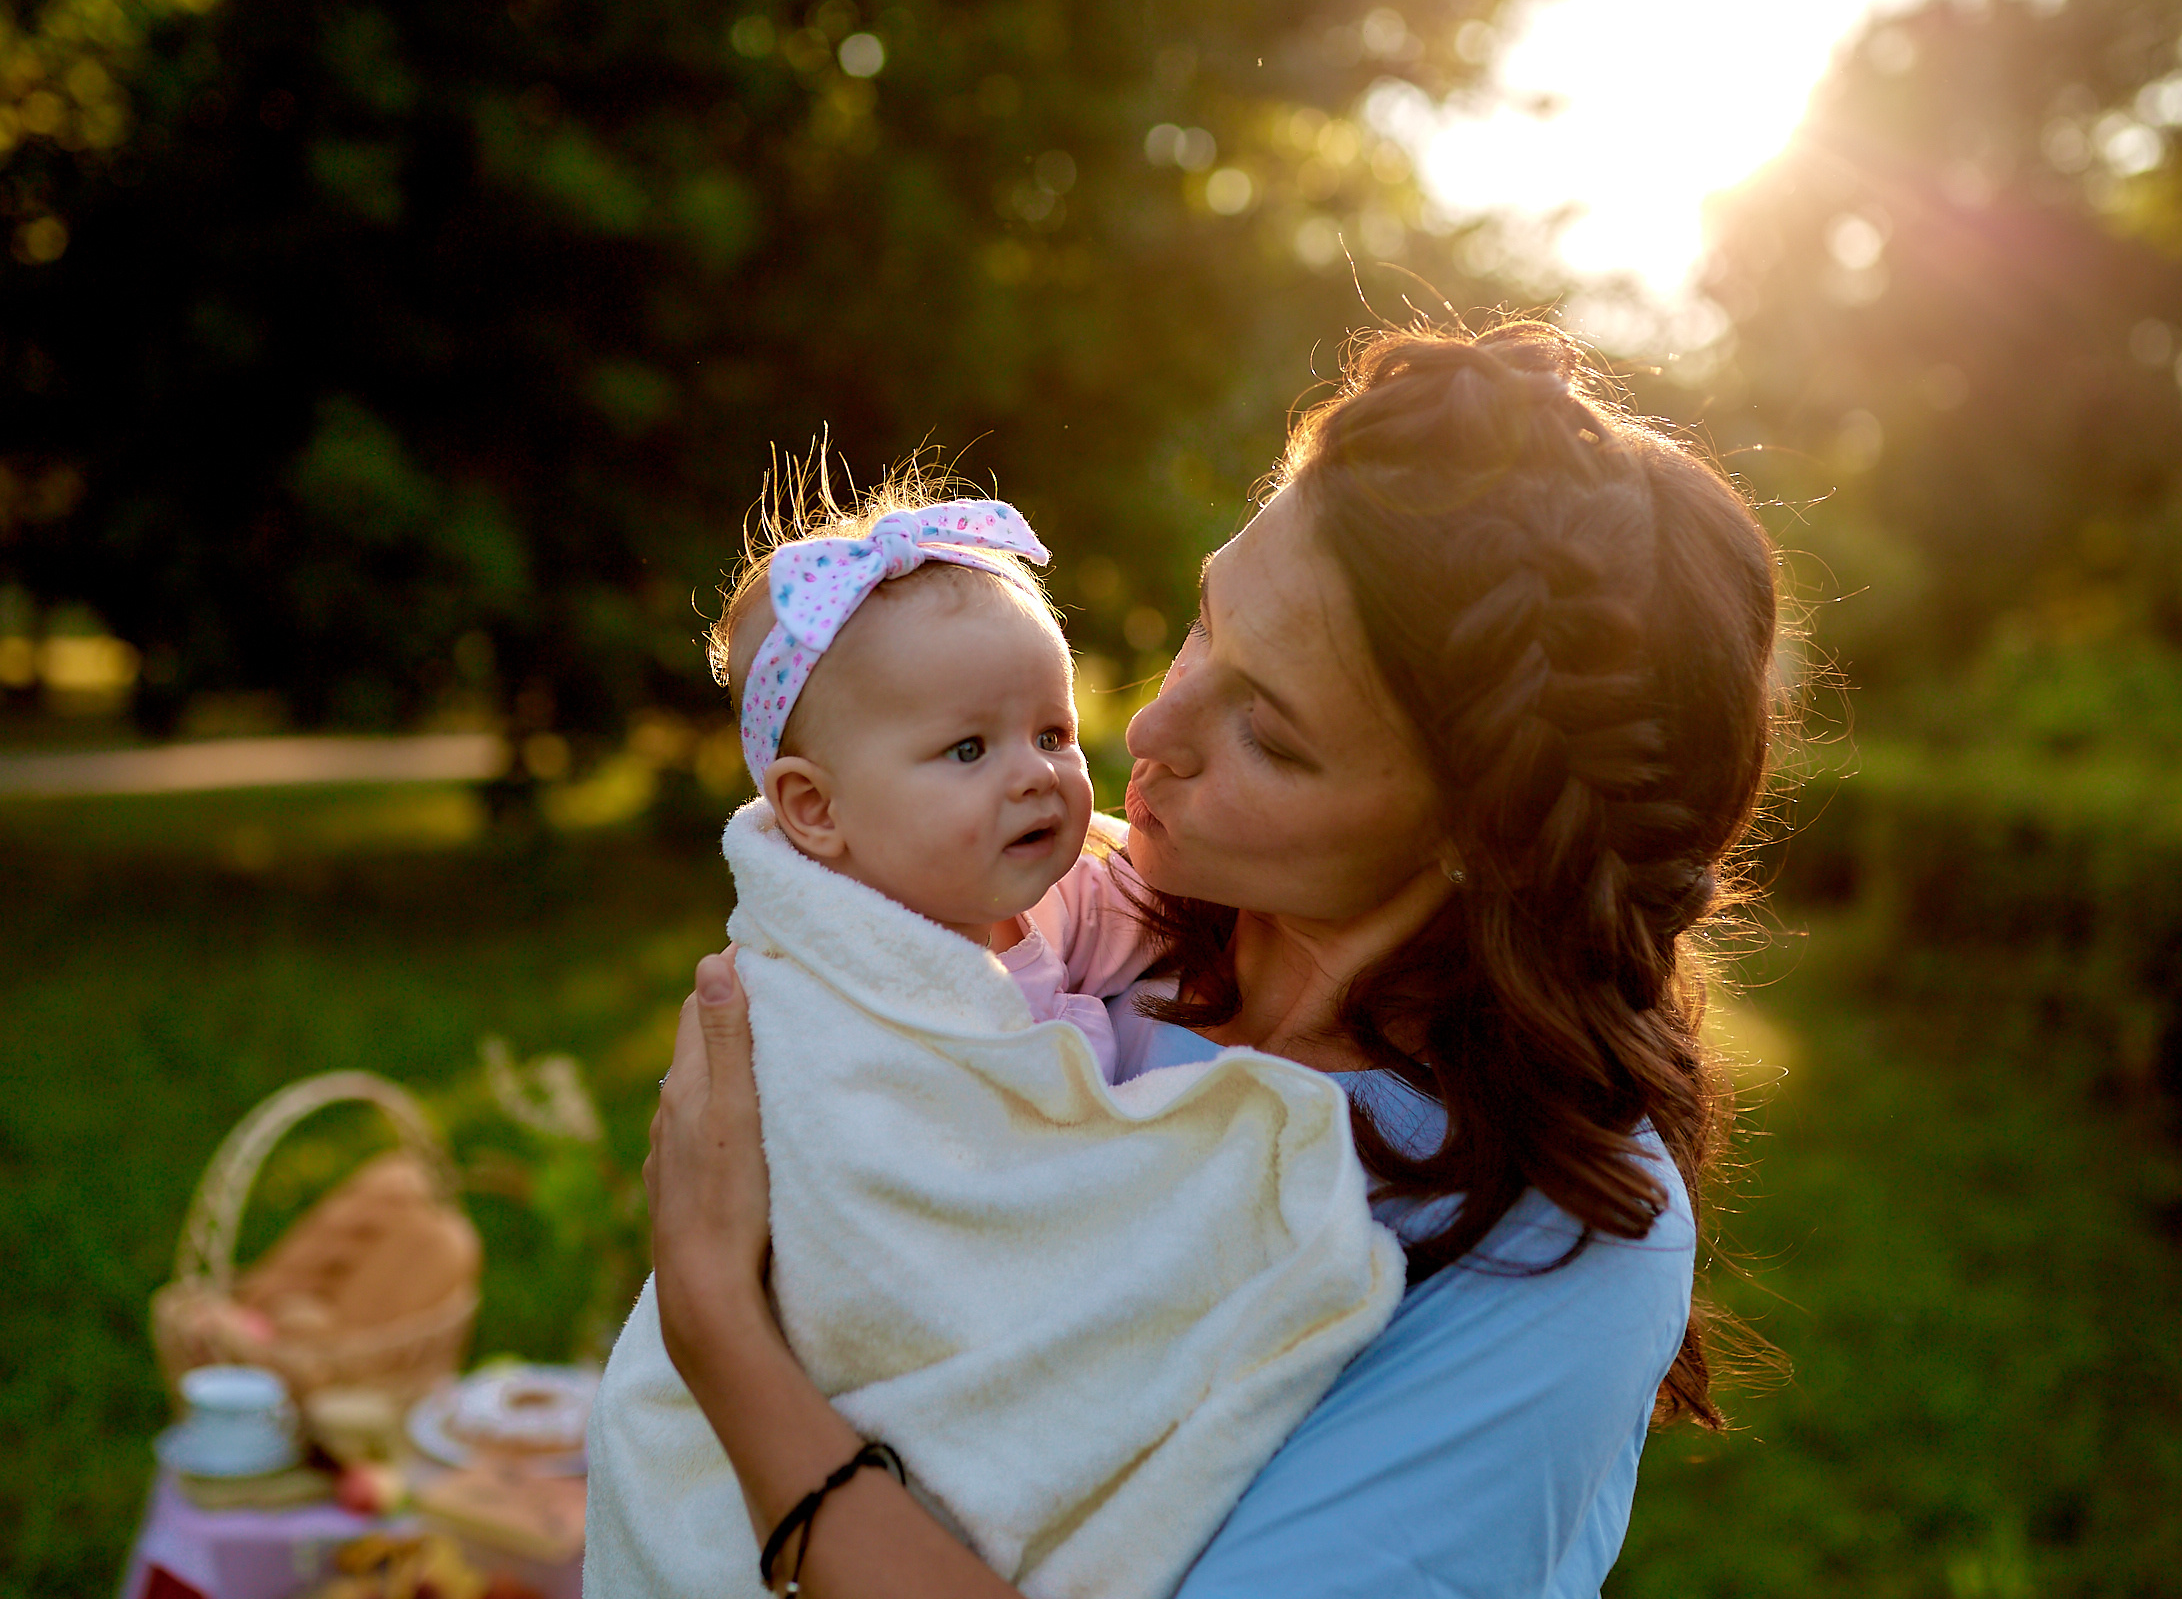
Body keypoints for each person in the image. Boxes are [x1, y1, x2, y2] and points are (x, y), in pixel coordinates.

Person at [646, 320, 1781, 1598]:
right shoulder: (1072, 923)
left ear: (1481, 832)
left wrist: (724, 1341)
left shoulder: (1549, 1244)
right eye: (1204, 623)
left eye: (1275, 738)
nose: (1151, 728)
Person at [587, 491, 1403, 1599]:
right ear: (814, 814)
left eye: (1053, 732)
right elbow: (868, 1208)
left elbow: (1134, 917)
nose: (1036, 774)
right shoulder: (826, 991)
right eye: (968, 747)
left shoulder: (1052, 901)